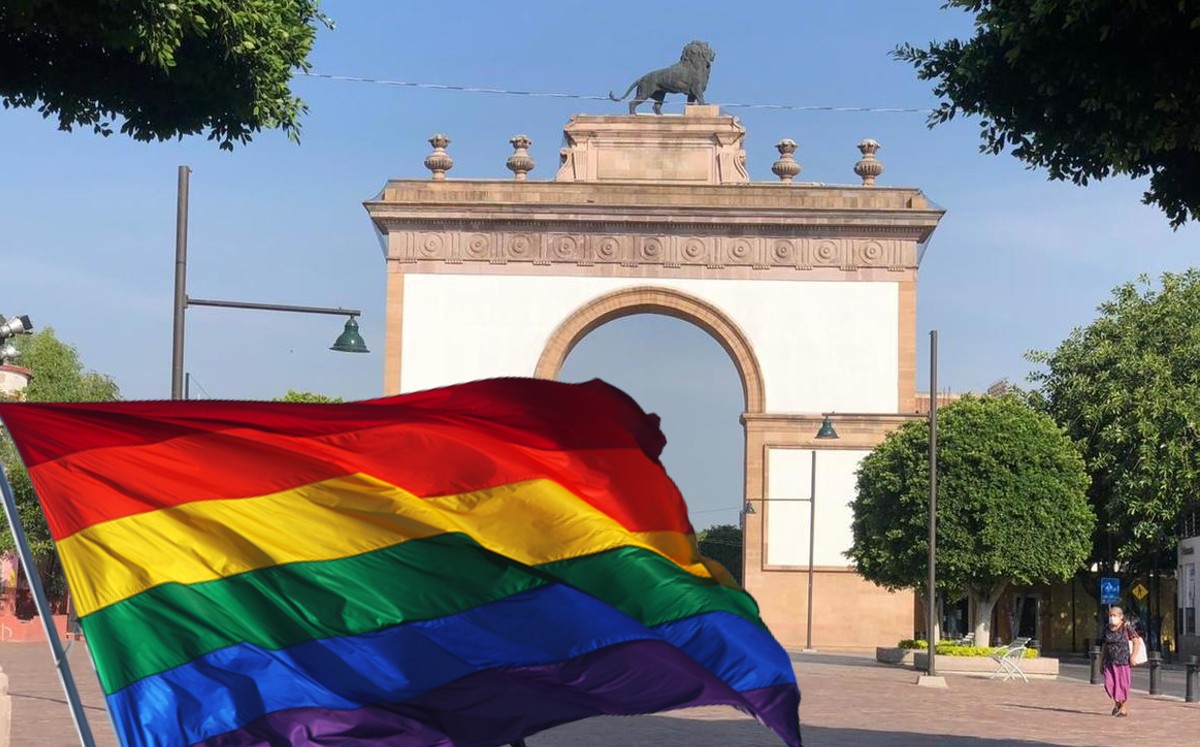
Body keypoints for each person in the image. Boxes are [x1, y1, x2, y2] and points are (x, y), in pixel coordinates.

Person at [1101, 605, 1142, 717]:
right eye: (1110, 615)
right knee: (1109, 684)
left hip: (1123, 661)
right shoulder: (1106, 629)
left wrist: (1133, 656)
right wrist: (1101, 662)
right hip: (1109, 662)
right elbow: (1104, 646)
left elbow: (1136, 642)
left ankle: (1123, 708)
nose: (1112, 617)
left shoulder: (1126, 627)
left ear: (1121, 616)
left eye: (1114, 615)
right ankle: (1117, 703)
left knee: (1122, 685)